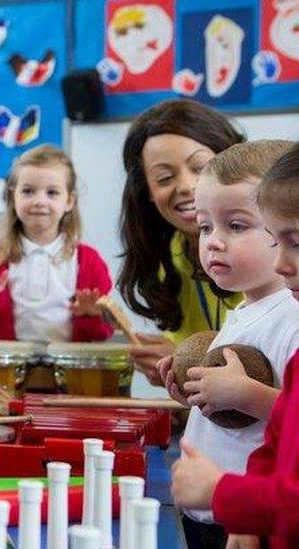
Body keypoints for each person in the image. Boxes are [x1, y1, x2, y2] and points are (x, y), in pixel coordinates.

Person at [161, 140, 299, 549]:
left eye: (236, 226)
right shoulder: (242, 310)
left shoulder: (290, 316)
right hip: (225, 510)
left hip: (251, 512)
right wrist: (201, 392)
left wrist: (243, 393)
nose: (213, 241)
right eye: (205, 227)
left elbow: (288, 420)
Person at [118, 99, 245, 384]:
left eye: (200, 168)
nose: (186, 186)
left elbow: (273, 366)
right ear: (148, 192)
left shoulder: (270, 249)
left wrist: (185, 358)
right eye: (164, 177)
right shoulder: (169, 254)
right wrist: (173, 371)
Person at [0, 144, 114, 342]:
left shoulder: (89, 261)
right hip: (12, 372)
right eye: (28, 191)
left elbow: (104, 333)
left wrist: (90, 315)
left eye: (52, 193)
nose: (39, 201)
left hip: (69, 372)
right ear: (12, 196)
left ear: (69, 201)